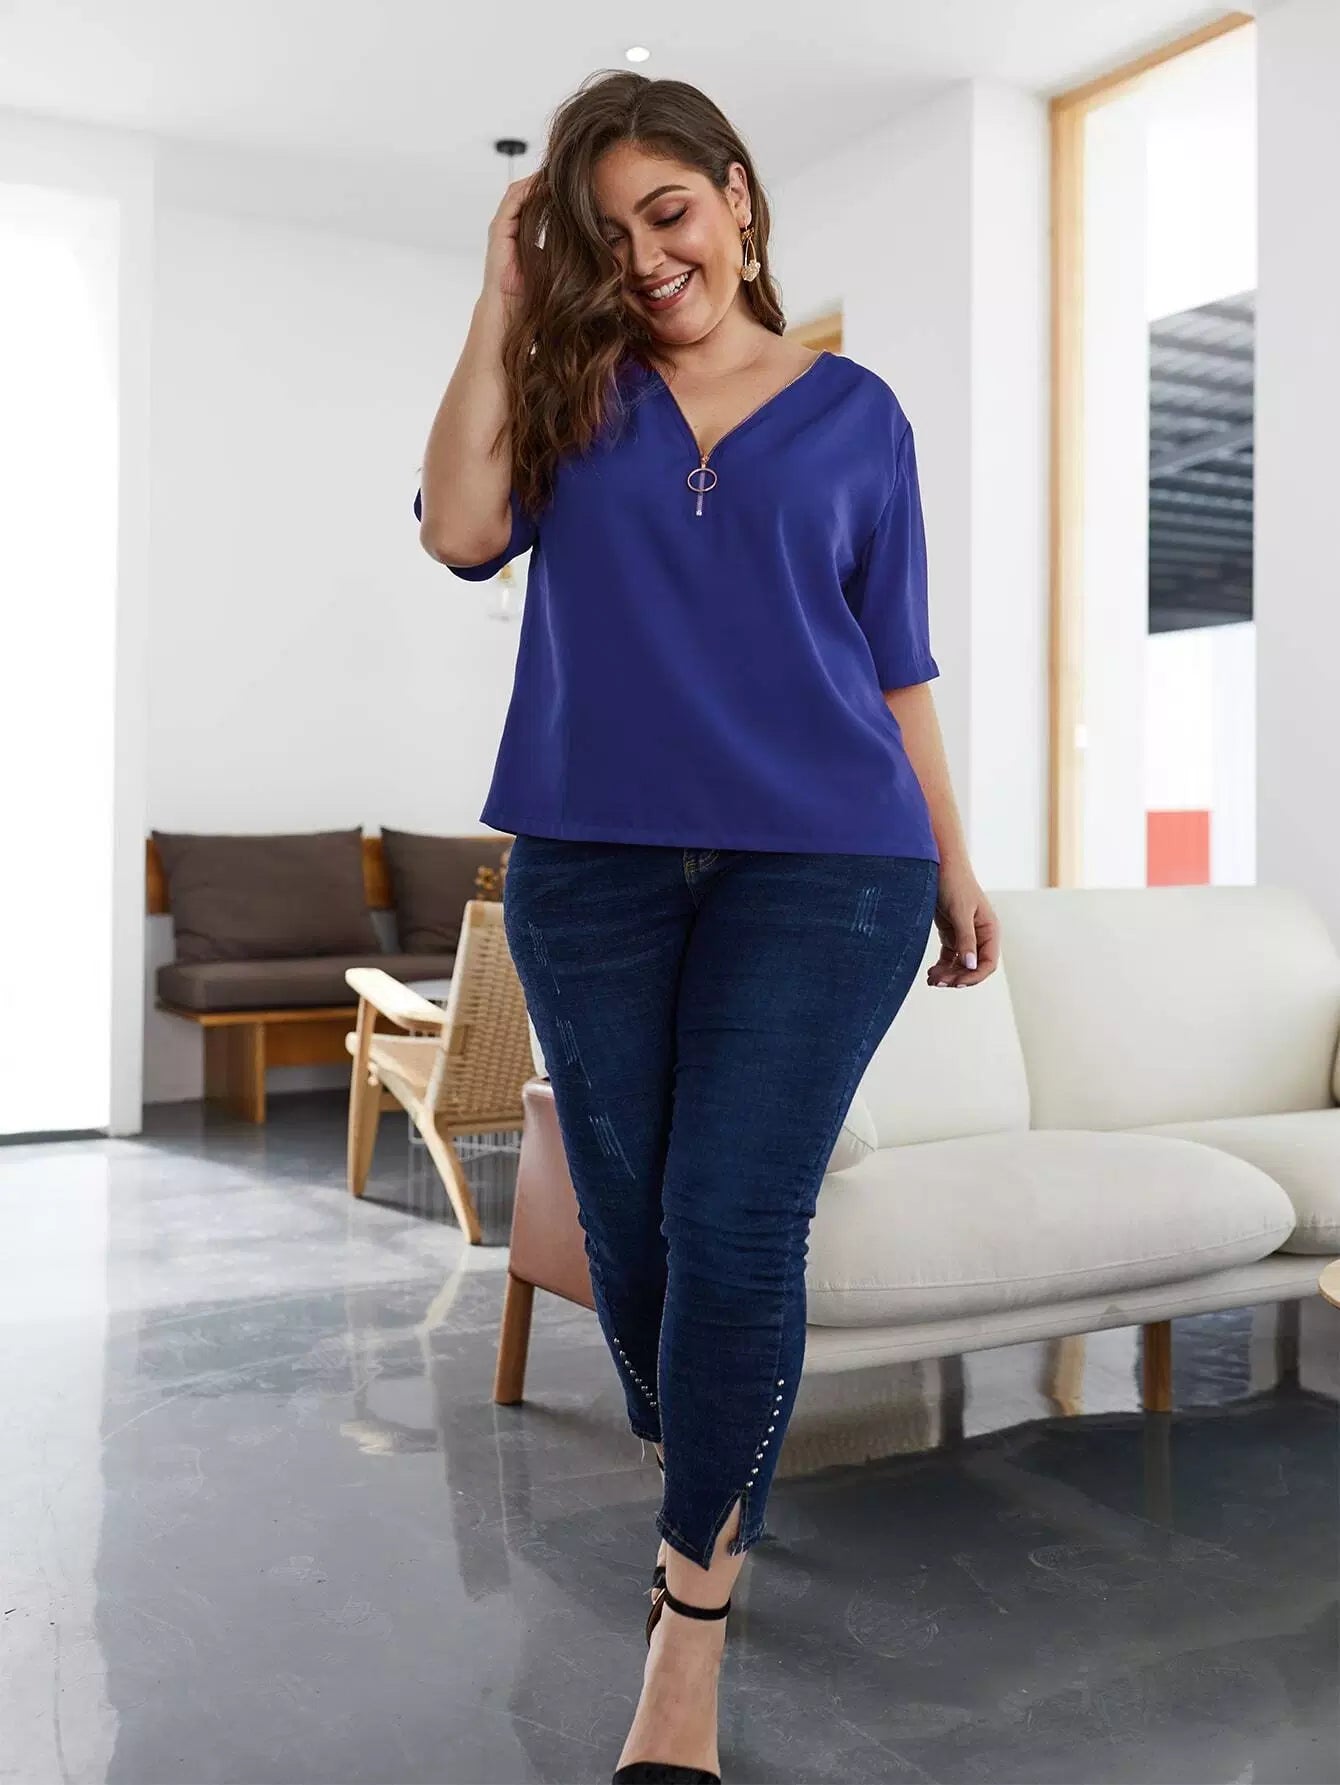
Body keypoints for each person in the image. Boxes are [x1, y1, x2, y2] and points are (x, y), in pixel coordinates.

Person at [415, 68, 1000, 1785]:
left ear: (737, 195)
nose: (648, 255)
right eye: (606, 234)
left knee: (735, 1222)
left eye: (669, 211)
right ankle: (715, 1475)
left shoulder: (859, 415)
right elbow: (459, 528)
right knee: (636, 1235)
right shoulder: (567, 384)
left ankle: (690, 1621)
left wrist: (956, 856)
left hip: (828, 866)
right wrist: (503, 287)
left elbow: (896, 662)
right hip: (590, 865)